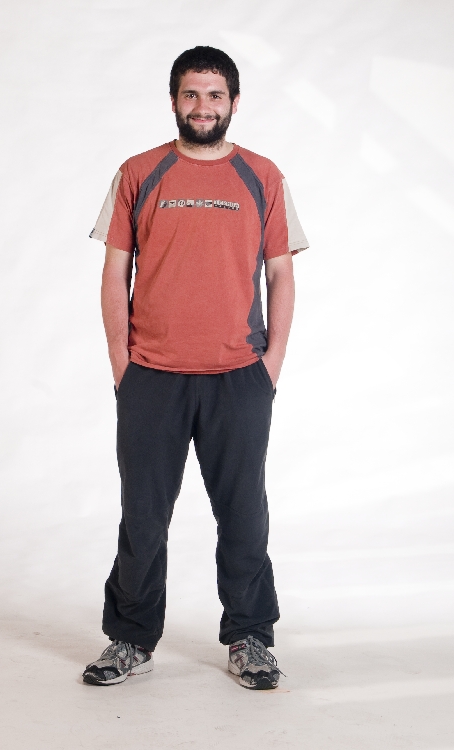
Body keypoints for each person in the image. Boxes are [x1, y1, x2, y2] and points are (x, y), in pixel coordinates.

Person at [83, 46, 309, 691]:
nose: (202, 106)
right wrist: (122, 364)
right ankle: (131, 638)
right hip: (151, 376)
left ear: (233, 102)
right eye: (191, 94)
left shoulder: (262, 175)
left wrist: (271, 365)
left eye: (214, 95)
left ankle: (250, 637)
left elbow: (282, 274)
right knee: (143, 517)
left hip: (239, 376)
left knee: (244, 516)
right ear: (174, 100)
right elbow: (114, 272)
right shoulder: (138, 172)